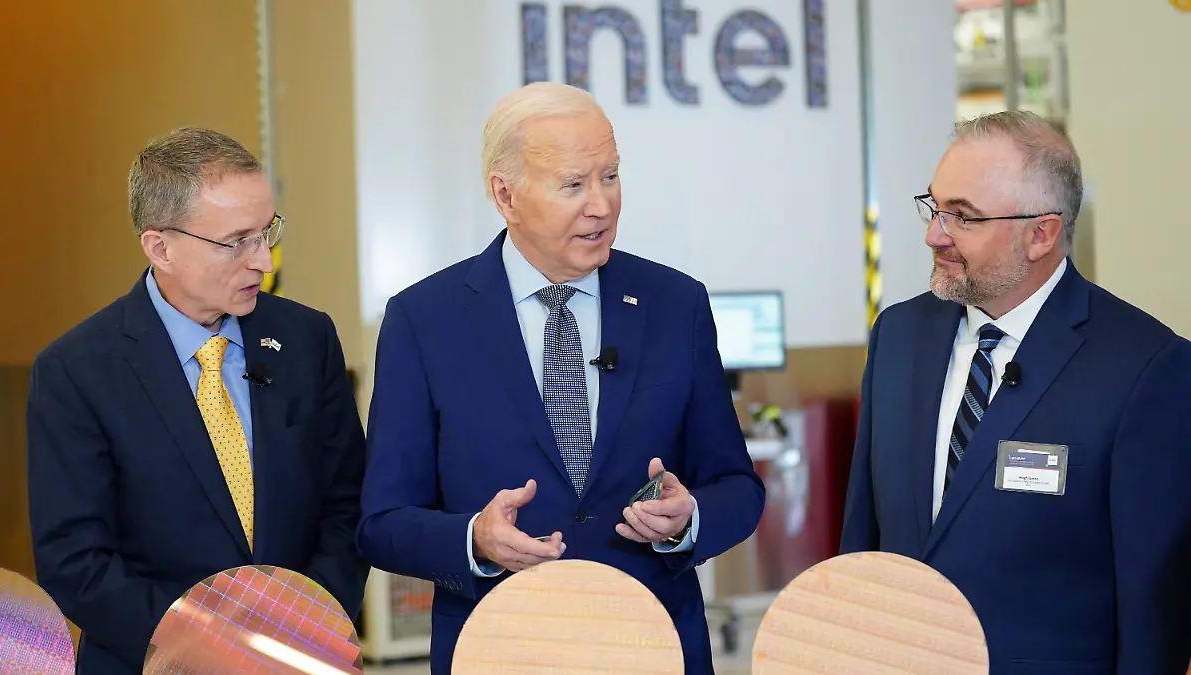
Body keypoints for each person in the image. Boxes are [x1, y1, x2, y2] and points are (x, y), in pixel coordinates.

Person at [356, 81, 765, 674]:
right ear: (506, 195)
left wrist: (689, 517)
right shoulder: (424, 320)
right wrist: (474, 540)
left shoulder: (676, 304)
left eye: (610, 176)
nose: (601, 205)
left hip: (653, 646)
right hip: (500, 652)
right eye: (573, 185)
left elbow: (737, 487)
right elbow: (382, 522)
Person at [840, 110, 1191, 674]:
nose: (935, 234)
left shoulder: (1145, 366)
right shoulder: (898, 336)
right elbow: (865, 535)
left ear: (1041, 234)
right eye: (934, 207)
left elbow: (1152, 601)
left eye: (963, 217)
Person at [27, 128, 369, 674]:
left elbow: (346, 505)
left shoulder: (307, 339)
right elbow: (75, 562)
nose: (263, 262)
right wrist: (210, 649)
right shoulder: (77, 371)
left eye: (267, 232)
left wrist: (305, 627)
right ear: (160, 247)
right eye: (236, 242)